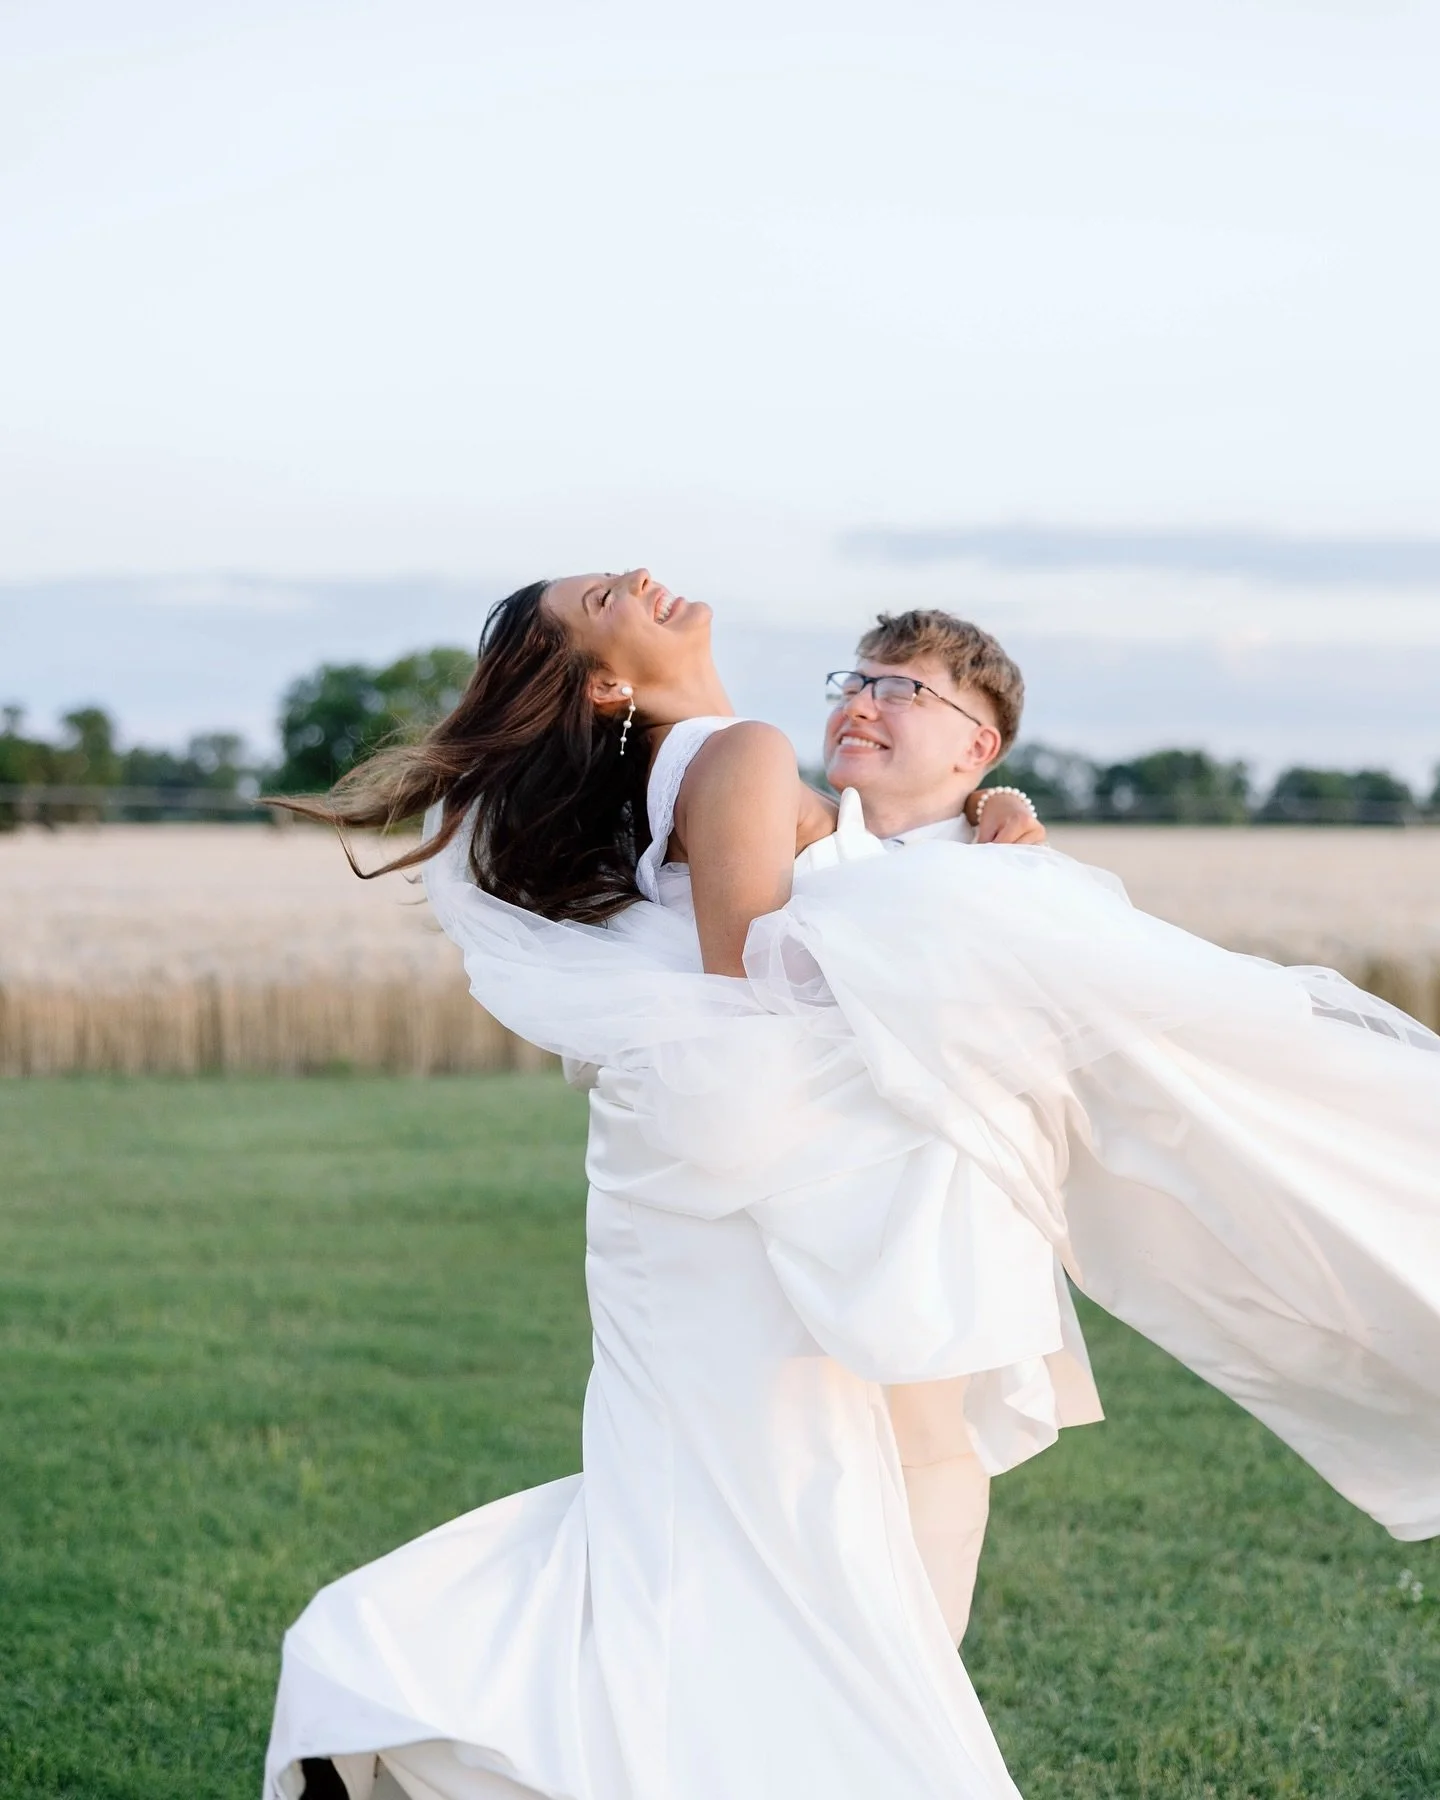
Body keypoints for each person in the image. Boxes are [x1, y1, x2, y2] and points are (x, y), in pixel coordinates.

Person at [265, 570, 1440, 1800]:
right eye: (609, 596)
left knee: (736, 1520)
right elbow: (755, 999)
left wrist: (977, 854)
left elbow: (804, 927)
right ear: (605, 683)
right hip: (794, 1209)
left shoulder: (696, 771)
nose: (645, 580)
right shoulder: (740, 752)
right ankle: (435, 1688)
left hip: (771, 1204)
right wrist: (969, 920)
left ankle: (482, 1708)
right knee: (803, 1519)